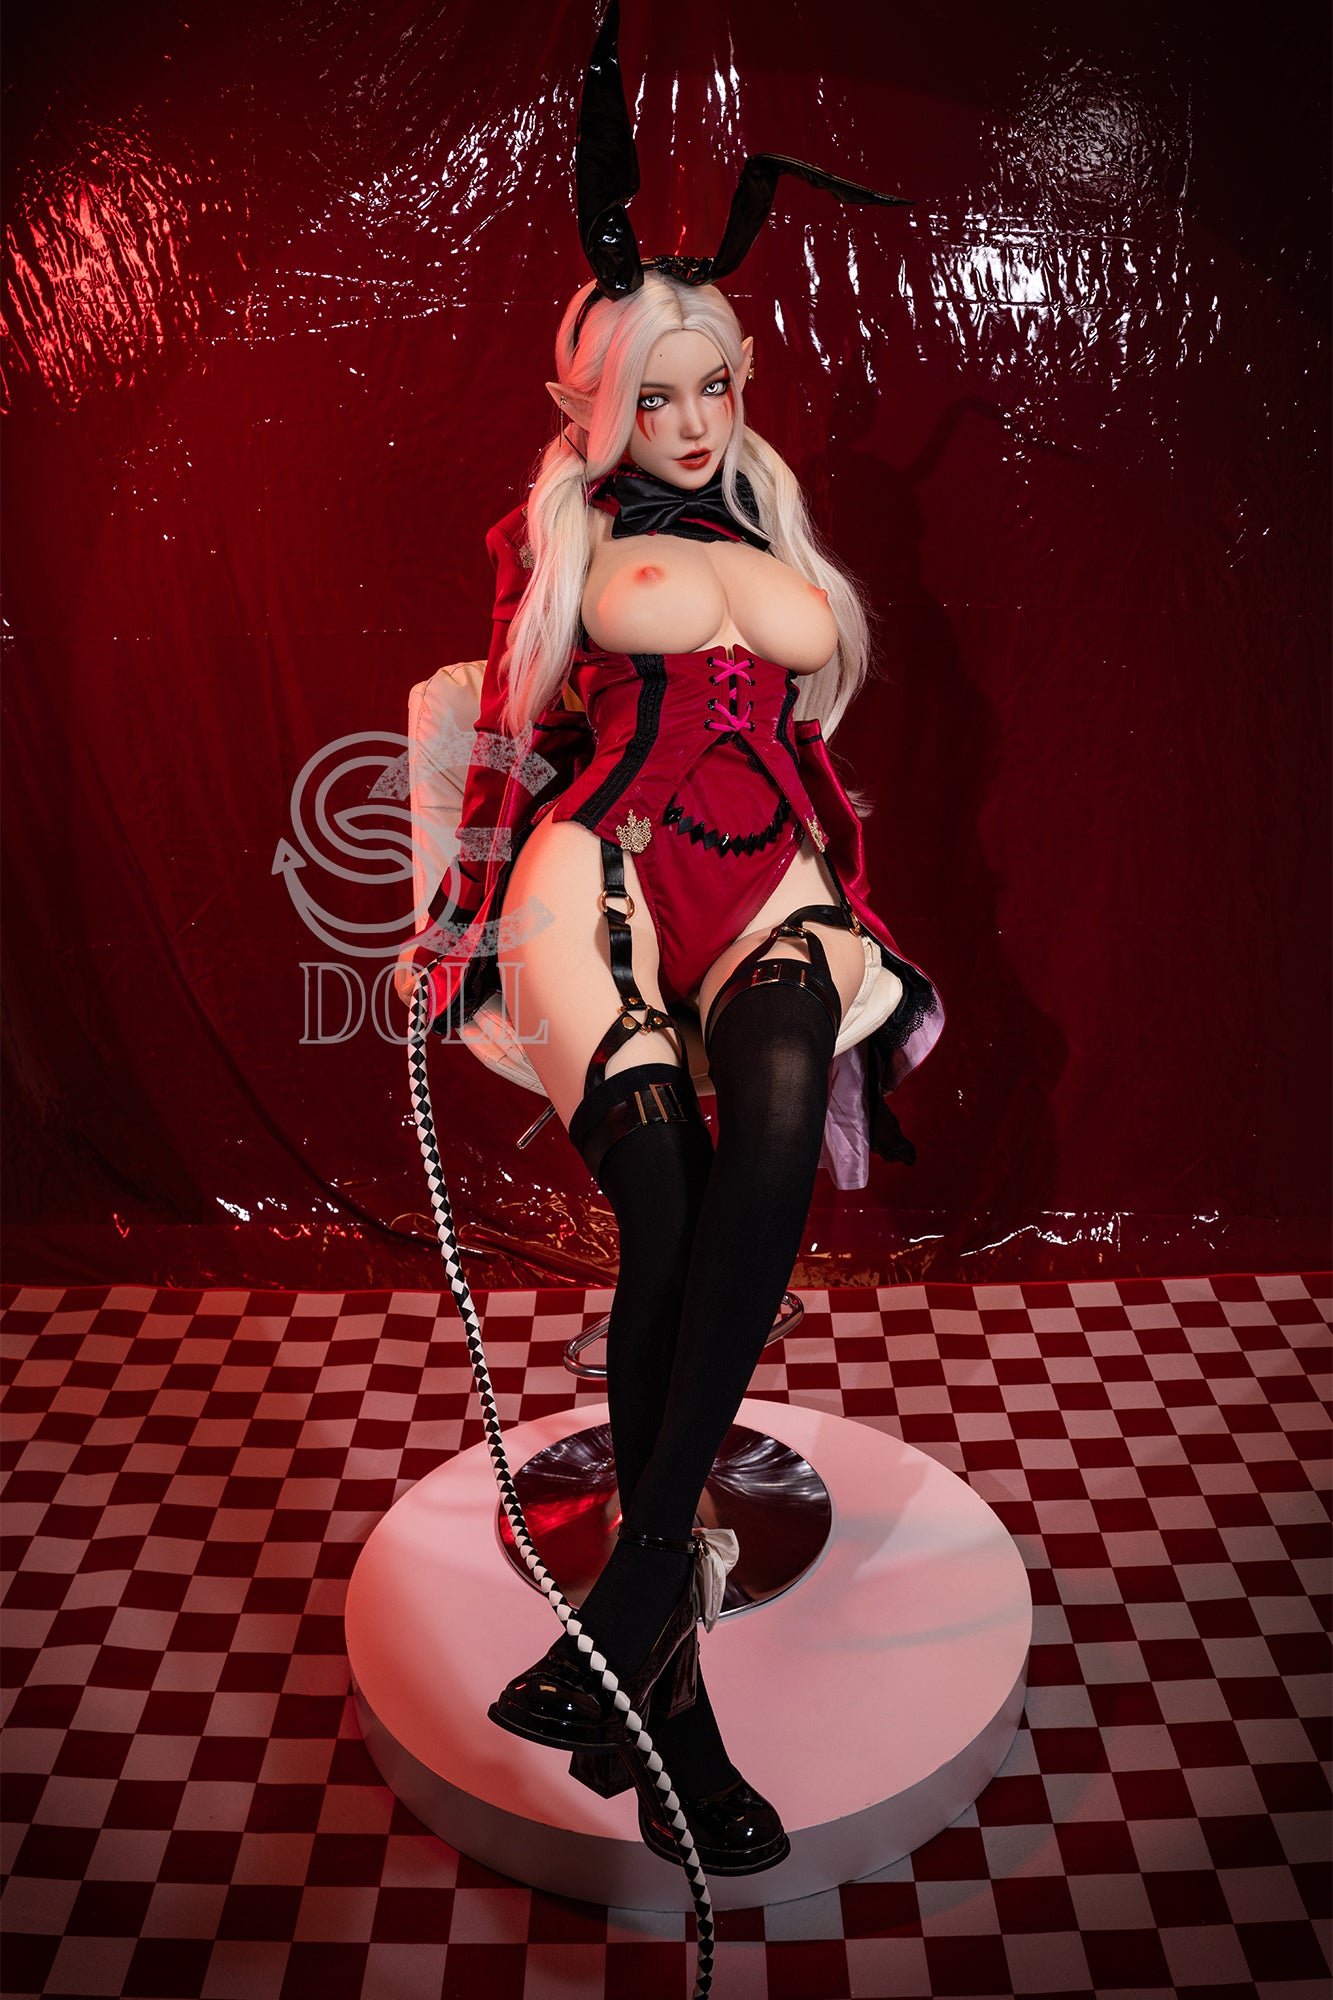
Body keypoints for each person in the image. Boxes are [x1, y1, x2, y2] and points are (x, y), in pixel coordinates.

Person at [398, 261, 944, 1876]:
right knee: (669, 1207)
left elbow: (807, 733)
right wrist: (453, 917)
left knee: (770, 1128)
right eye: (652, 395)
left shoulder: (773, 517)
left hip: (767, 874)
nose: (691, 422)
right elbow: (507, 732)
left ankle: (637, 1587)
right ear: (592, 405)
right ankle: (678, 1719)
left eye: (713, 385)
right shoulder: (559, 528)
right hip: (604, 866)